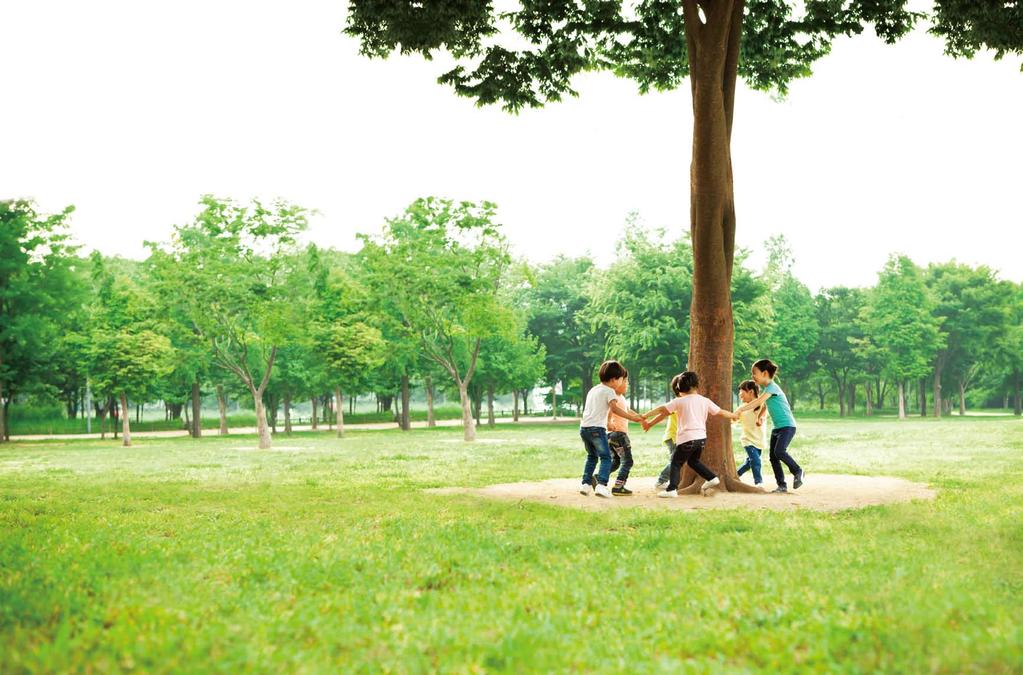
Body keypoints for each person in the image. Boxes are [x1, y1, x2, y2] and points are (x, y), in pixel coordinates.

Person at [643, 371, 738, 498]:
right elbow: (720, 412)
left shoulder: (679, 401)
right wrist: (734, 415)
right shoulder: (705, 401)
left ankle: (672, 489)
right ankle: (712, 478)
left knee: (676, 463)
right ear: (697, 385)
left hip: (686, 439)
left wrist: (644, 416)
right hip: (701, 439)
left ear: (680, 388)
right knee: (693, 461)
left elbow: (662, 409)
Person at [579, 361, 649, 498]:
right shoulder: (610, 391)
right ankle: (601, 485)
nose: (623, 382)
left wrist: (636, 416)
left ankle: (586, 484)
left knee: (592, 457)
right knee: (606, 458)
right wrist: (632, 418)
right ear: (613, 380)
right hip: (597, 429)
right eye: (622, 379)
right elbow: (615, 409)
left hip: (584, 428)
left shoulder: (593, 390)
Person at [734, 359, 804, 493]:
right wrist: (760, 416)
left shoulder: (772, 387)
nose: (752, 377)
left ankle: (798, 471)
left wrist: (741, 409)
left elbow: (758, 402)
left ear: (765, 373)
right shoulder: (768, 390)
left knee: (779, 452)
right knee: (773, 457)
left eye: (754, 373)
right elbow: (765, 405)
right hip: (777, 428)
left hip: (787, 426)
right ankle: (782, 485)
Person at [607, 376, 640, 495]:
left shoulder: (621, 398)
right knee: (627, 461)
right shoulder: (614, 397)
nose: (627, 384)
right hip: (619, 434)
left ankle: (599, 477)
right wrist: (608, 422)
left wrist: (640, 418)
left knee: (615, 461)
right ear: (617, 383)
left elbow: (628, 411)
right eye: (625, 382)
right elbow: (611, 410)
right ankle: (618, 486)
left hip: (612, 436)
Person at [734, 380, 767, 486]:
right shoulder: (742, 408)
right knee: (756, 461)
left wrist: (760, 419)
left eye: (742, 392)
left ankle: (735, 475)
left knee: (749, 463)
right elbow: (733, 418)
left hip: (759, 440)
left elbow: (763, 413)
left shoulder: (761, 405)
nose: (740, 395)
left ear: (751, 392)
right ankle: (758, 482)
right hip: (747, 440)